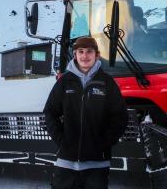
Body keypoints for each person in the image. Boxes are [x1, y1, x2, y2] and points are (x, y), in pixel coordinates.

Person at [43, 36, 128, 189]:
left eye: (89, 51)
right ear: (75, 55)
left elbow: (120, 117)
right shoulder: (64, 81)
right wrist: (61, 140)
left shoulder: (106, 82)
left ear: (97, 54)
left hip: (97, 162)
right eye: (80, 51)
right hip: (66, 161)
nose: (84, 56)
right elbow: (50, 112)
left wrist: (104, 143)